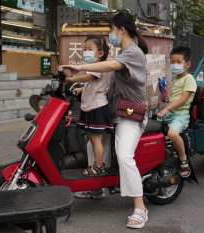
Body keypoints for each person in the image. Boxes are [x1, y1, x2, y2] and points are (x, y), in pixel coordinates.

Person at [60, 11, 149, 229]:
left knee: (124, 155)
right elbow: (113, 83)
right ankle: (97, 188)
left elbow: (109, 67)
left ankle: (140, 208)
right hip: (113, 112)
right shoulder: (124, 52)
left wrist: (80, 67)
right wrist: (83, 86)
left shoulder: (133, 53)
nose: (110, 34)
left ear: (122, 30)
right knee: (94, 144)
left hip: (130, 115)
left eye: (111, 29)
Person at [63, 34, 113, 177]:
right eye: (85, 48)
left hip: (97, 108)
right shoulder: (93, 66)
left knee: (95, 139)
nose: (86, 52)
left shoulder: (98, 66)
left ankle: (99, 167)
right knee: (92, 138)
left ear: (100, 53)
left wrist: (70, 79)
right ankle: (97, 165)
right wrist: (81, 88)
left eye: (90, 49)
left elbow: (88, 77)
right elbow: (90, 82)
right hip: (91, 106)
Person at [157, 45, 197, 178]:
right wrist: (165, 99)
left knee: (172, 134)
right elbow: (173, 99)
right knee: (149, 130)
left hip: (181, 115)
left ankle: (183, 158)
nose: (175, 65)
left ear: (187, 64)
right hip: (170, 113)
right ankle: (169, 155)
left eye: (179, 62)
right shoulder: (175, 80)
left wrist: (167, 108)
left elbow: (184, 99)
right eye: (172, 62)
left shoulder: (189, 79)